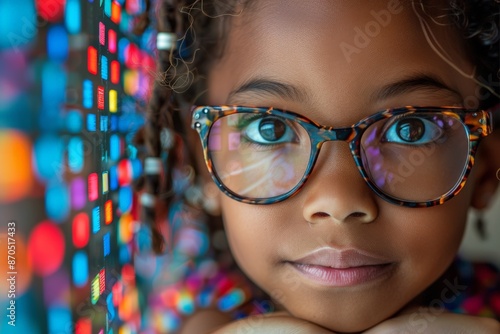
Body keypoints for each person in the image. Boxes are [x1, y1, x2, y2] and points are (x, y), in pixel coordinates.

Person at [133, 0, 500, 332]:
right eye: (270, 129)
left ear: (484, 165)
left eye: (410, 129)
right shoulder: (182, 316)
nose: (338, 202)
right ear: (204, 162)